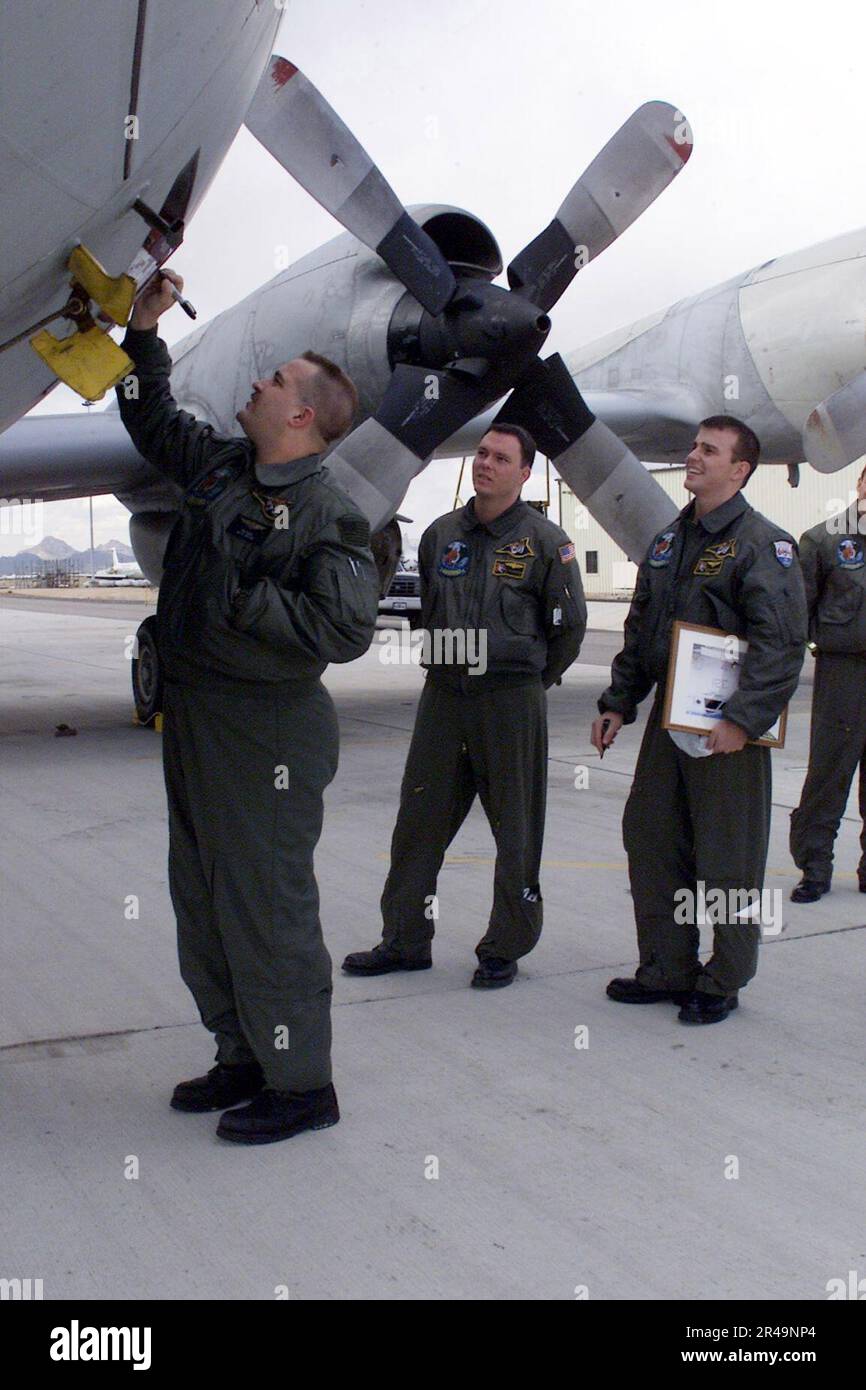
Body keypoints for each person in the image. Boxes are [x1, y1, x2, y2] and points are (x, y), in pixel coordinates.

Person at [117, 269, 380, 1143]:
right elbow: (150, 420)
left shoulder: (328, 513)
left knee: (263, 904)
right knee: (201, 894)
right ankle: (242, 1056)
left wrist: (239, 596)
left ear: (301, 414)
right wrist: (140, 336)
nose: (259, 383)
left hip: (263, 726)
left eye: (275, 382)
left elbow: (343, 629)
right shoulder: (225, 467)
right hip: (194, 712)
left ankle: (301, 1084)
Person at [342, 424, 587, 988]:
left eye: (501, 459)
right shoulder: (439, 535)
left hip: (509, 698)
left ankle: (505, 945)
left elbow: (568, 627)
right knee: (418, 823)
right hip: (445, 696)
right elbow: (432, 606)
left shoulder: (547, 542)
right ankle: (404, 939)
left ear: (524, 473)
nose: (485, 464)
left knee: (516, 831)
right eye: (481, 453)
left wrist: (527, 680)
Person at [591, 416, 807, 1024]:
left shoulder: (766, 545)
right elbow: (642, 629)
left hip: (729, 734)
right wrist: (617, 702)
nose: (693, 456)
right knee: (652, 838)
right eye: (694, 446)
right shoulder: (668, 541)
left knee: (728, 855)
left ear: (740, 470)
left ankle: (725, 975)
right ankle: (665, 967)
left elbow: (783, 643)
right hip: (669, 721)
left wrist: (742, 719)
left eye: (708, 450)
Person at [789, 463, 866, 901]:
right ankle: (814, 866)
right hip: (843, 672)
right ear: (859, 482)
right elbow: (800, 611)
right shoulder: (823, 540)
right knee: (828, 774)